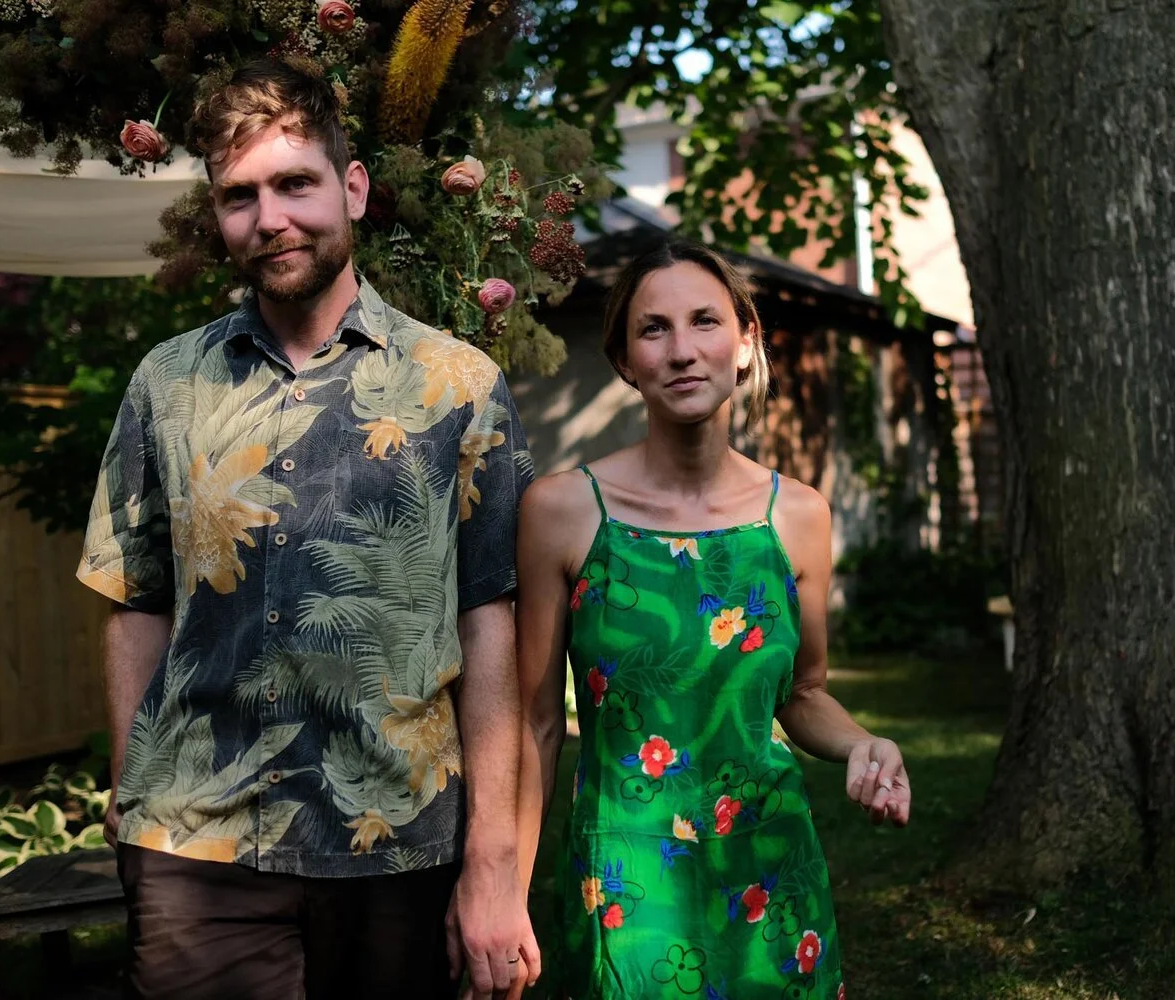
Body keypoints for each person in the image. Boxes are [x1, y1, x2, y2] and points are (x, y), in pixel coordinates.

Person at [77, 58, 538, 999]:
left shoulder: (458, 384)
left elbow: (491, 619)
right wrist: (131, 784)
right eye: (239, 196)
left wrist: (493, 859)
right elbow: (135, 595)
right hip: (195, 841)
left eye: (295, 183)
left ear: (352, 189)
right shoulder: (167, 383)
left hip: (396, 838)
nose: (270, 218)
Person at [516, 239, 912, 997]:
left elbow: (804, 694)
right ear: (626, 360)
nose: (682, 350)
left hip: (772, 875)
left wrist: (865, 743)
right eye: (653, 328)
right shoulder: (563, 511)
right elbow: (535, 725)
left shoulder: (798, 516)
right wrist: (506, 893)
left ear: (745, 340)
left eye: (705, 321)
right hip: (626, 880)